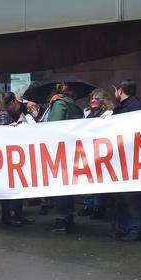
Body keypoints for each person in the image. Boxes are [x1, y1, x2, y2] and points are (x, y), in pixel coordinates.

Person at [111, 80, 141, 241]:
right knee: (122, 196)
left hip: (128, 158)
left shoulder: (132, 109)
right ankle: (124, 227)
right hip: (124, 157)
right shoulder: (132, 107)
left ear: (120, 91)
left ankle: (134, 228)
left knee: (131, 196)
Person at [45, 83, 84, 233]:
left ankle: (61, 220)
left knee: (60, 186)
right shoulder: (73, 105)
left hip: (59, 151)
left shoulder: (59, 104)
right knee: (68, 185)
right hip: (71, 149)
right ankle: (69, 217)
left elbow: (53, 126)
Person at [80, 89, 114, 220]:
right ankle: (88, 205)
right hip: (87, 149)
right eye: (92, 98)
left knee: (99, 178)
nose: (93, 101)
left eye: (96, 98)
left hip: (102, 150)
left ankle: (99, 208)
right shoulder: (86, 112)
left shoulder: (108, 114)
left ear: (103, 101)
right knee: (87, 177)